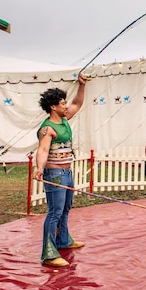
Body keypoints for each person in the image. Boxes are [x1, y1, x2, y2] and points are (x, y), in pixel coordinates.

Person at [34, 73, 87, 268]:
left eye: (65, 103)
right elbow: (43, 149)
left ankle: (63, 240)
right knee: (54, 212)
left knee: (65, 209)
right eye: (62, 103)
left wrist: (82, 86)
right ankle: (48, 254)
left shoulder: (64, 120)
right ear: (53, 107)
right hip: (55, 174)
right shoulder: (47, 129)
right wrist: (39, 169)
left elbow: (78, 103)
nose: (66, 106)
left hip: (67, 172)